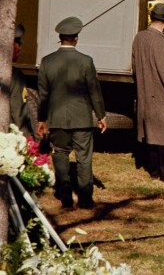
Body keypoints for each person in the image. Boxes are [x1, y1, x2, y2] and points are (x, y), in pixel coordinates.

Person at [37, 16, 107, 209]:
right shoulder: (86, 61)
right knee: (84, 157)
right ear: (76, 38)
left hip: (57, 117)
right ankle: (85, 197)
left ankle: (65, 194)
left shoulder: (47, 61)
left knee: (60, 154)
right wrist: (101, 115)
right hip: (82, 118)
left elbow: (43, 95)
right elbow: (94, 91)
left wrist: (42, 119)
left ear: (60, 38)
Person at [132, 3, 164, 182]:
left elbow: (135, 66)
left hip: (145, 92)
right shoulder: (161, 42)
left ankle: (153, 170)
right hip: (161, 95)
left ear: (151, 17)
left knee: (150, 132)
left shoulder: (139, 37)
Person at [10, 24, 35, 138]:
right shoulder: (14, 76)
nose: (20, 48)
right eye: (18, 44)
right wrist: (28, 139)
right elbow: (19, 113)